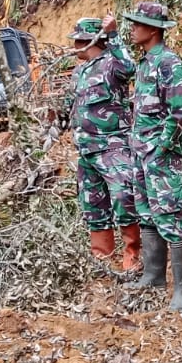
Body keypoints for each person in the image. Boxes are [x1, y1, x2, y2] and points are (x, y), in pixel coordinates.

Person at [124, 1, 182, 311]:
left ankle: (181, 291)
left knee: (170, 215)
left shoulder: (169, 63)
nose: (132, 29)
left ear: (153, 30)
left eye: (137, 24)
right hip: (141, 153)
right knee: (147, 213)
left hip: (160, 156)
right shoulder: (144, 63)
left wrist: (161, 150)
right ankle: (154, 276)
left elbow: (179, 115)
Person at [68, 15, 142, 272]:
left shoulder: (112, 63)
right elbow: (72, 107)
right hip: (86, 151)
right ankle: (102, 258)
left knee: (123, 197)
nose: (74, 45)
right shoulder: (79, 71)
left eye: (78, 40)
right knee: (93, 206)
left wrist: (113, 35)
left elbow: (130, 68)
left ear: (90, 40)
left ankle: (133, 254)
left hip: (112, 147)